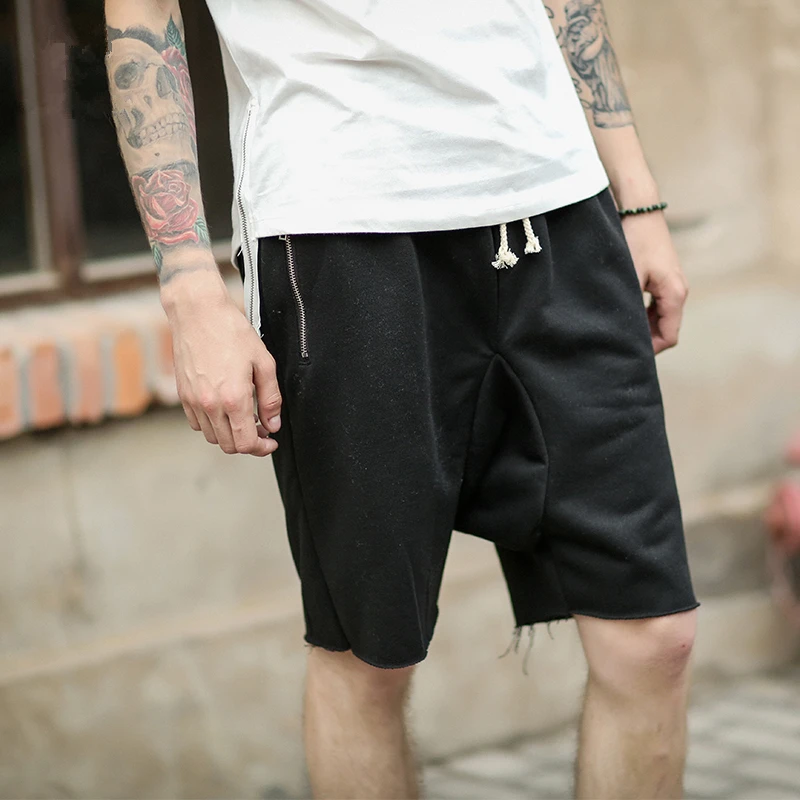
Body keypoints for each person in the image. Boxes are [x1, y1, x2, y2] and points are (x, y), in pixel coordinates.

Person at [103, 0, 698, 796]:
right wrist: (187, 288)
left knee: (655, 636)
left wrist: (639, 196)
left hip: (559, 202)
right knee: (368, 656)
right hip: (340, 229)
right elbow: (141, 16)